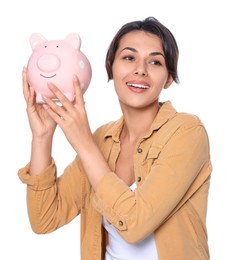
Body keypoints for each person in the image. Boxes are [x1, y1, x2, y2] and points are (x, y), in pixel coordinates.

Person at [18, 16, 212, 260]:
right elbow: (44, 218)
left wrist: (83, 142)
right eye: (129, 57)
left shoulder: (187, 132)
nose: (140, 69)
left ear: (169, 78)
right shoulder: (102, 139)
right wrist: (42, 138)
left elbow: (135, 225)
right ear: (110, 66)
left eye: (155, 61)